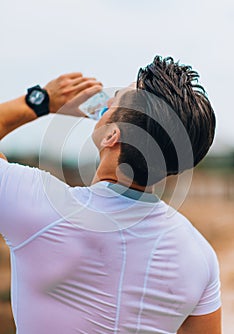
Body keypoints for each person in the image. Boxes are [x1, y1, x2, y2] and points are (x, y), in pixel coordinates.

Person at [0, 56, 221, 334]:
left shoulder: (38, 207)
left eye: (115, 99)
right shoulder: (200, 256)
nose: (105, 104)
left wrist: (40, 101)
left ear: (110, 137)